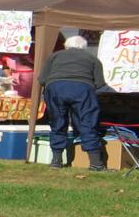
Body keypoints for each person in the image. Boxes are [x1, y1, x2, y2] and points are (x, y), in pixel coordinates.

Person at [39, 35, 107, 171]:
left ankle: (56, 161)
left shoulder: (55, 56)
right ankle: (96, 163)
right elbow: (99, 83)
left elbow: (42, 79)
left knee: (57, 123)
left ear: (66, 45)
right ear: (84, 47)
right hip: (83, 89)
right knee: (87, 123)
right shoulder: (93, 59)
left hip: (56, 87)